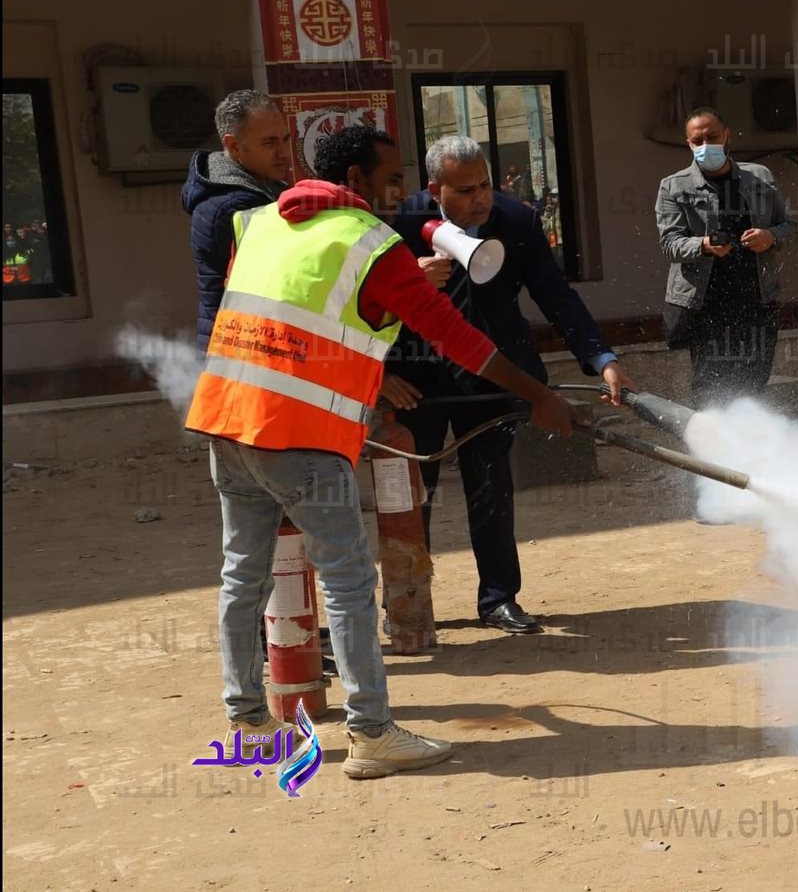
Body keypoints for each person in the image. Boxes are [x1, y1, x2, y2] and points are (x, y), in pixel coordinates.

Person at [185, 125, 582, 778]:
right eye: (391, 177)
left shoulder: (259, 223)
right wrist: (538, 395)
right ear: (357, 181)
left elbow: (285, 311)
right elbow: (456, 337)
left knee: (242, 577)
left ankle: (250, 723)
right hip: (299, 435)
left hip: (227, 421)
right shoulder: (370, 242)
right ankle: (371, 734)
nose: (401, 191)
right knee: (346, 585)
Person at [384, 135, 634, 635]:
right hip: (415, 383)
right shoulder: (400, 223)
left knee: (492, 489)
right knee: (412, 496)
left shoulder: (516, 221)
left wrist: (601, 358)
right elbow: (356, 302)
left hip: (496, 376)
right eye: (465, 190)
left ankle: (498, 600)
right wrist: (382, 369)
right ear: (435, 189)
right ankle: (408, 607)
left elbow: (555, 296)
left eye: (486, 185)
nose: (481, 199)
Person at [655, 107, 795, 410]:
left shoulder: (760, 177)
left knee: (753, 385)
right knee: (710, 389)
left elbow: (788, 226)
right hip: (706, 306)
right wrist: (704, 245)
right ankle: (713, 455)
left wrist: (769, 237)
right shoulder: (674, 186)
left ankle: (747, 454)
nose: (706, 145)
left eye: (712, 137)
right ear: (689, 144)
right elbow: (669, 244)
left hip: (757, 301)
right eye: (698, 140)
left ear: (727, 135)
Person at [182, 89, 292, 349]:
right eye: (269, 143)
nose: (283, 152)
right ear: (233, 145)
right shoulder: (229, 208)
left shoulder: (269, 188)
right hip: (238, 354)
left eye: (285, 139)